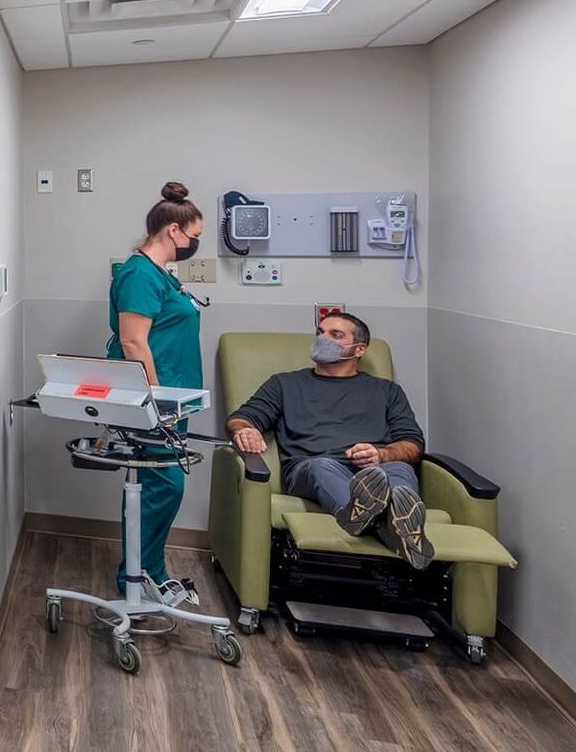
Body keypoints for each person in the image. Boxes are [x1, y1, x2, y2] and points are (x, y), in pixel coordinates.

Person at [226, 312, 435, 568]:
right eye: (320, 333)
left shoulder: (387, 391)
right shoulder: (285, 384)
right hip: (313, 467)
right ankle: (379, 523)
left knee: (400, 469)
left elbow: (412, 444)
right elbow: (242, 417)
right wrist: (244, 430)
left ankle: (386, 524)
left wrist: (382, 455)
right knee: (321, 466)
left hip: (375, 469)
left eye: (335, 335)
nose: (323, 338)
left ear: (359, 349)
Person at [106, 181, 207, 608]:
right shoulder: (137, 273)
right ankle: (139, 571)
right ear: (172, 230)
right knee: (166, 484)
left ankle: (144, 569)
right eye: (194, 237)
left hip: (172, 395)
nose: (194, 244)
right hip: (152, 398)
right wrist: (155, 401)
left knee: (153, 484)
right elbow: (133, 343)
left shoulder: (160, 273)